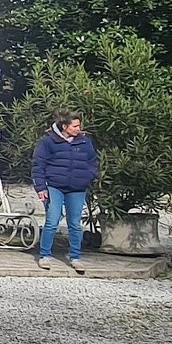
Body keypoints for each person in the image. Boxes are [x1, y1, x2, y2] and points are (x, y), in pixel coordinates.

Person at [32, 109, 100, 273]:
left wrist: (88, 177)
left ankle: (75, 257)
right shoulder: (48, 142)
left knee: (75, 224)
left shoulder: (84, 142)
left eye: (79, 126)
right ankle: (44, 255)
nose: (78, 129)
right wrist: (41, 187)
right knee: (52, 221)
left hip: (77, 187)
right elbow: (38, 165)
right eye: (75, 126)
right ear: (65, 126)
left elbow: (93, 161)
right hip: (54, 186)